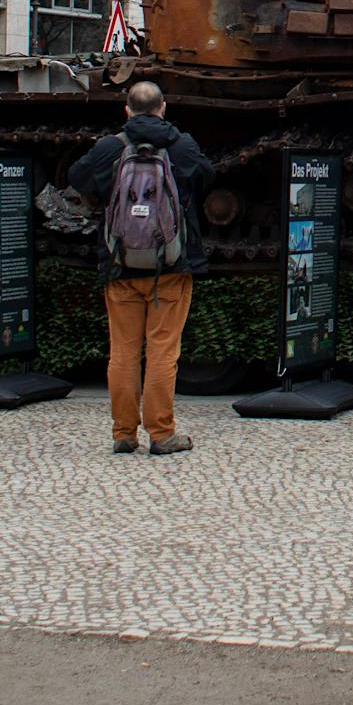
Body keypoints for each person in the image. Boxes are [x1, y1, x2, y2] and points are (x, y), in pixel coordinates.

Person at [68, 80, 212, 457]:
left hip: (120, 264)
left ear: (127, 110)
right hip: (170, 265)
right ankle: (162, 434)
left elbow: (76, 178)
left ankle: (123, 433)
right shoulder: (182, 145)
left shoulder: (109, 148)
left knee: (124, 351)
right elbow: (205, 178)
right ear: (163, 107)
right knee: (163, 350)